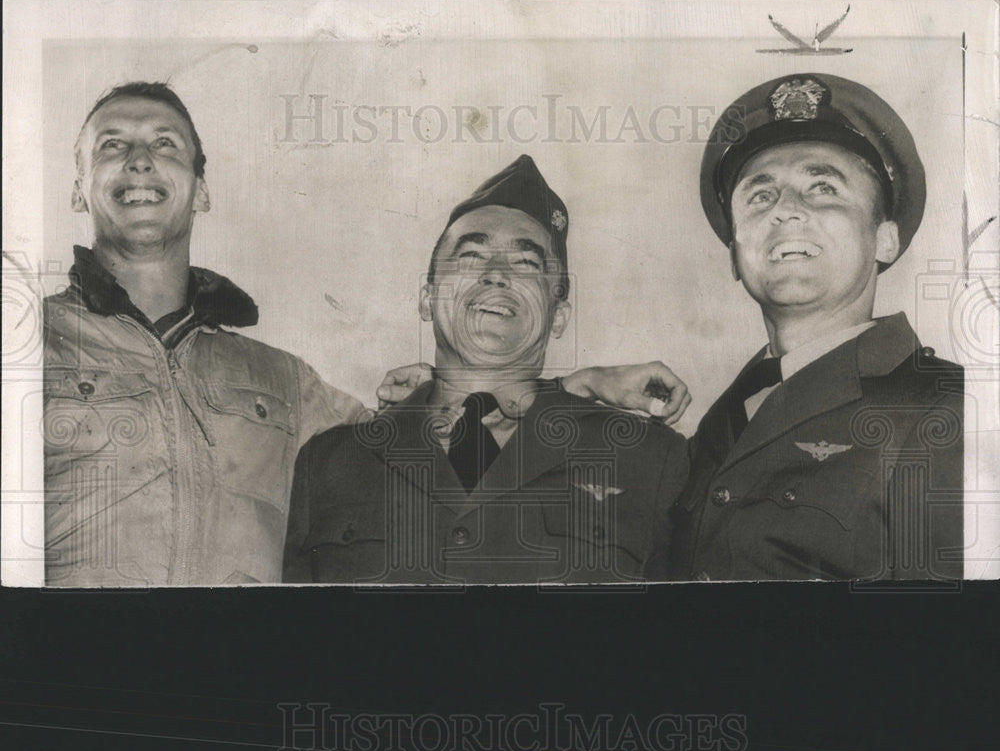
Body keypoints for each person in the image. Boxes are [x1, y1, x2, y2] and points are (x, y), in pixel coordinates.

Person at [45, 82, 689, 586]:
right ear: (76, 187)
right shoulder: (20, 347)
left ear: (202, 189)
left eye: (165, 144)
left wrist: (565, 392)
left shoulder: (284, 385)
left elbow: (464, 413)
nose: (138, 161)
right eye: (110, 145)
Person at [284, 155, 690, 583]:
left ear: (558, 316)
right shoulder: (331, 462)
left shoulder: (648, 459)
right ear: (427, 298)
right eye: (471, 256)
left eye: (527, 263)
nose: (496, 274)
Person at [657, 73, 964, 581]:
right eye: (760, 195)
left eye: (823, 187)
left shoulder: (950, 410)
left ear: (884, 240)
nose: (785, 211)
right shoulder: (719, 427)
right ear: (737, 255)